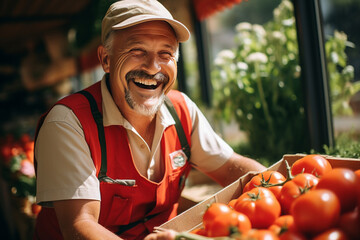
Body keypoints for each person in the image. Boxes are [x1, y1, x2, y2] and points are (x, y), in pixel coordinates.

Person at [33, 0, 266, 239]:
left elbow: (231, 167)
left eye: (165, 54)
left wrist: (275, 186)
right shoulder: (68, 123)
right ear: (106, 59)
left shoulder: (181, 109)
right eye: (137, 51)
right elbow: (79, 226)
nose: (153, 67)